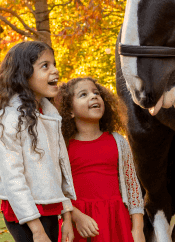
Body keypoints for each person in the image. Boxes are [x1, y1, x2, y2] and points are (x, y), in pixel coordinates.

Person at [0, 41, 76, 242]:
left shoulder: (50, 114)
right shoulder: (8, 120)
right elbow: (13, 178)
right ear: (23, 74)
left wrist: (66, 216)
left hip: (50, 207)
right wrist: (37, 231)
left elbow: (60, 170)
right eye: (45, 66)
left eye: (54, 64)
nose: (55, 70)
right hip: (24, 213)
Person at [58, 77, 145, 242]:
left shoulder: (118, 142)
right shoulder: (63, 147)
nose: (93, 96)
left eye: (96, 93)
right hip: (79, 224)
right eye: (83, 94)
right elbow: (58, 189)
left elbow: (133, 187)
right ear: (70, 110)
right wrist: (76, 216)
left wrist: (138, 229)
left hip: (116, 222)